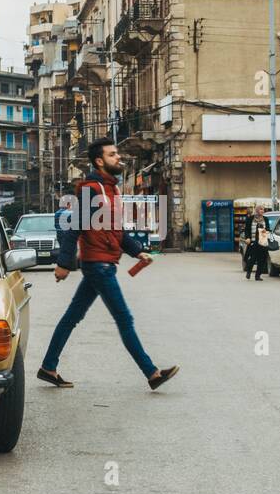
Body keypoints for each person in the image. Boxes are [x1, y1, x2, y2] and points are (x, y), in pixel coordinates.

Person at [37, 139, 180, 391]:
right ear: (99, 161)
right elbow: (75, 227)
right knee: (124, 318)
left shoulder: (111, 190)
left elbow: (117, 231)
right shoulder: (91, 189)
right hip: (98, 265)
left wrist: (138, 252)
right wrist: (63, 264)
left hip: (102, 263)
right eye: (113, 154)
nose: (118, 158)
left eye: (117, 154)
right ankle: (152, 373)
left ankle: (48, 367)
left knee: (72, 317)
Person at [241, 206, 270, 281]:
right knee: (252, 258)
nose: (262, 211)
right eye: (260, 209)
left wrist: (265, 231)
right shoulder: (250, 219)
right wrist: (248, 238)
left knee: (262, 260)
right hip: (253, 242)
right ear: (257, 210)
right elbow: (247, 230)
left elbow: (268, 229)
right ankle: (249, 272)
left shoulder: (265, 219)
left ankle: (258, 275)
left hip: (263, 242)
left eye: (263, 209)